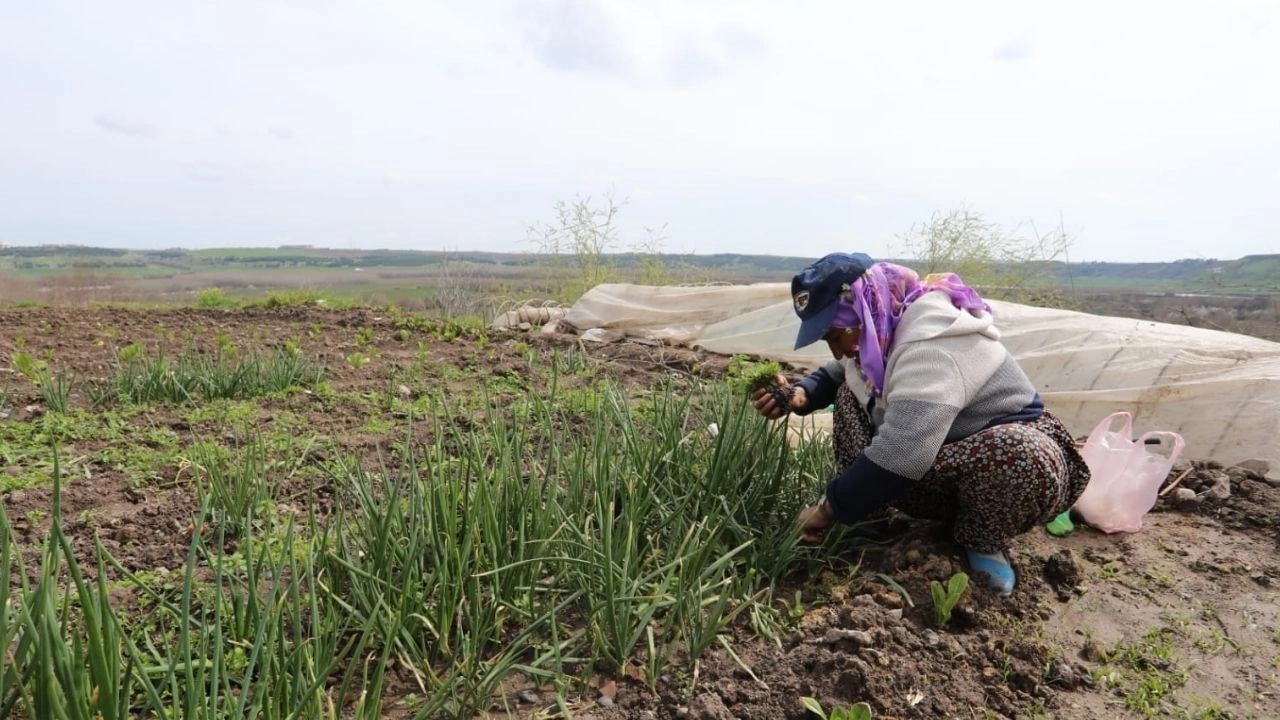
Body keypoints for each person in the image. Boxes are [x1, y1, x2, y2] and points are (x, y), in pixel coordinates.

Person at [753, 252, 1090, 595]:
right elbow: (839, 373)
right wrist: (801, 395)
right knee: (850, 393)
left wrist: (827, 509)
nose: (838, 351)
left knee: (1020, 455)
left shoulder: (932, 342)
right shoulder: (879, 333)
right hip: (936, 460)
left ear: (862, 314)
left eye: (836, 337)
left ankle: (982, 540)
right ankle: (871, 512)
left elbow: (903, 451)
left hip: (993, 465)